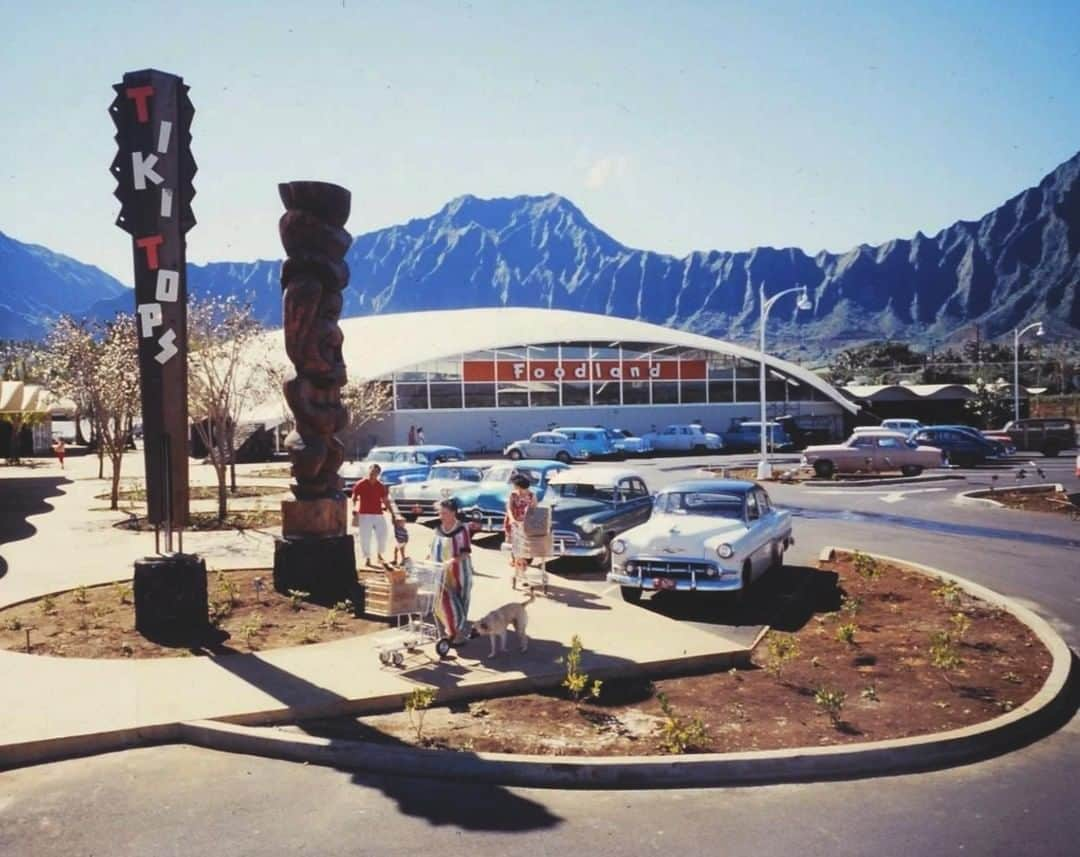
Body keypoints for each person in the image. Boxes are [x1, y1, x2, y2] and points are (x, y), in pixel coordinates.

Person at [429, 499, 473, 646]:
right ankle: (451, 629)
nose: (441, 515)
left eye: (444, 513)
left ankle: (457, 634)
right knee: (442, 600)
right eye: (439, 512)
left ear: (453, 513)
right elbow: (432, 547)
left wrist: (452, 561)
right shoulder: (438, 527)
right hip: (440, 571)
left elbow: (466, 552)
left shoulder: (462, 529)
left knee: (460, 601)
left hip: (459, 572)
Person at [351, 463, 402, 568]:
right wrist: (354, 507)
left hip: (378, 513)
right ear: (368, 471)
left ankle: (379, 554)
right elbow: (354, 497)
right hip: (364, 513)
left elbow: (385, 500)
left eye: (375, 473)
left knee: (383, 534)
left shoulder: (380, 486)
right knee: (365, 537)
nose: (372, 474)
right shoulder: (361, 483)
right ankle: (367, 558)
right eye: (371, 472)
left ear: (378, 474)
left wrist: (392, 513)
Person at [504, 473, 536, 584]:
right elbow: (508, 508)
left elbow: (534, 510)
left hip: (526, 526)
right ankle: (520, 574)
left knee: (526, 551)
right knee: (517, 550)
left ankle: (521, 572)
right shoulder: (513, 495)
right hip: (514, 524)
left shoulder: (531, 495)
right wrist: (512, 519)